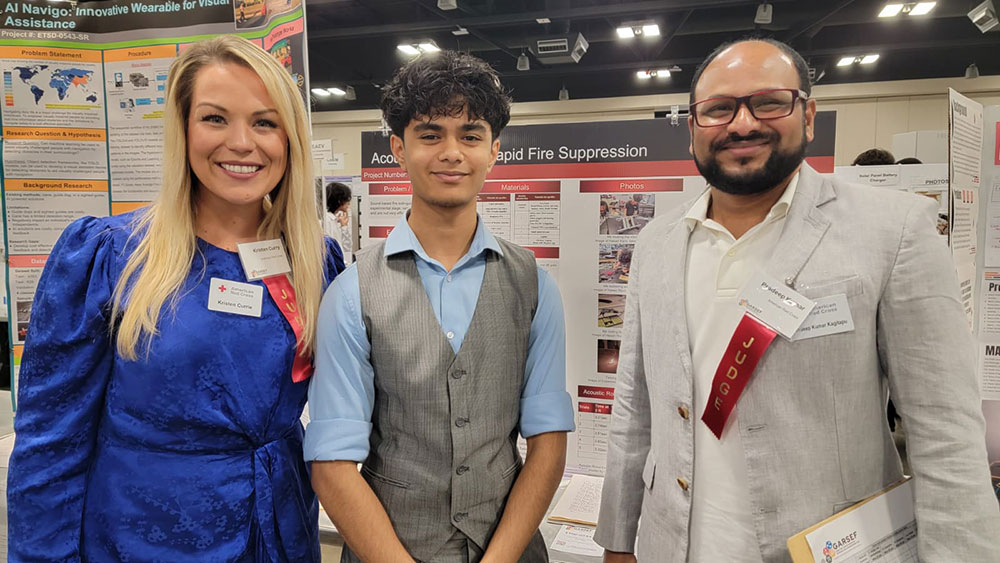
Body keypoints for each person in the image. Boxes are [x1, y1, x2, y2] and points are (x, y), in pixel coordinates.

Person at [595, 37, 999, 562]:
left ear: (808, 115)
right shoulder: (656, 242)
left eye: (768, 102)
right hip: (672, 545)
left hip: (829, 546)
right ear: (693, 128)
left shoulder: (893, 229)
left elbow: (946, 433)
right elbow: (634, 407)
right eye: (718, 109)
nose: (742, 124)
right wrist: (619, 539)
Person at [7, 35, 344, 562]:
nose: (241, 142)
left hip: (278, 530)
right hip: (146, 534)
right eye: (215, 118)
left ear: (290, 138)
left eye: (264, 121)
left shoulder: (314, 258)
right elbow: (51, 442)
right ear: (183, 129)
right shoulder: (111, 256)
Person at [305, 50, 574, 562]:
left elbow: (547, 443)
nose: (451, 151)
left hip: (510, 548)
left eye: (470, 135)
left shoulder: (534, 285)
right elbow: (333, 463)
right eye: (430, 134)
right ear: (398, 149)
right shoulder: (351, 292)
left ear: (494, 150)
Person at [323, 181, 353, 262]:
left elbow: (347, 246)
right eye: (347, 200)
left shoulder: (335, 220)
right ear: (340, 201)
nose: (349, 203)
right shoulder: (326, 221)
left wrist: (344, 226)